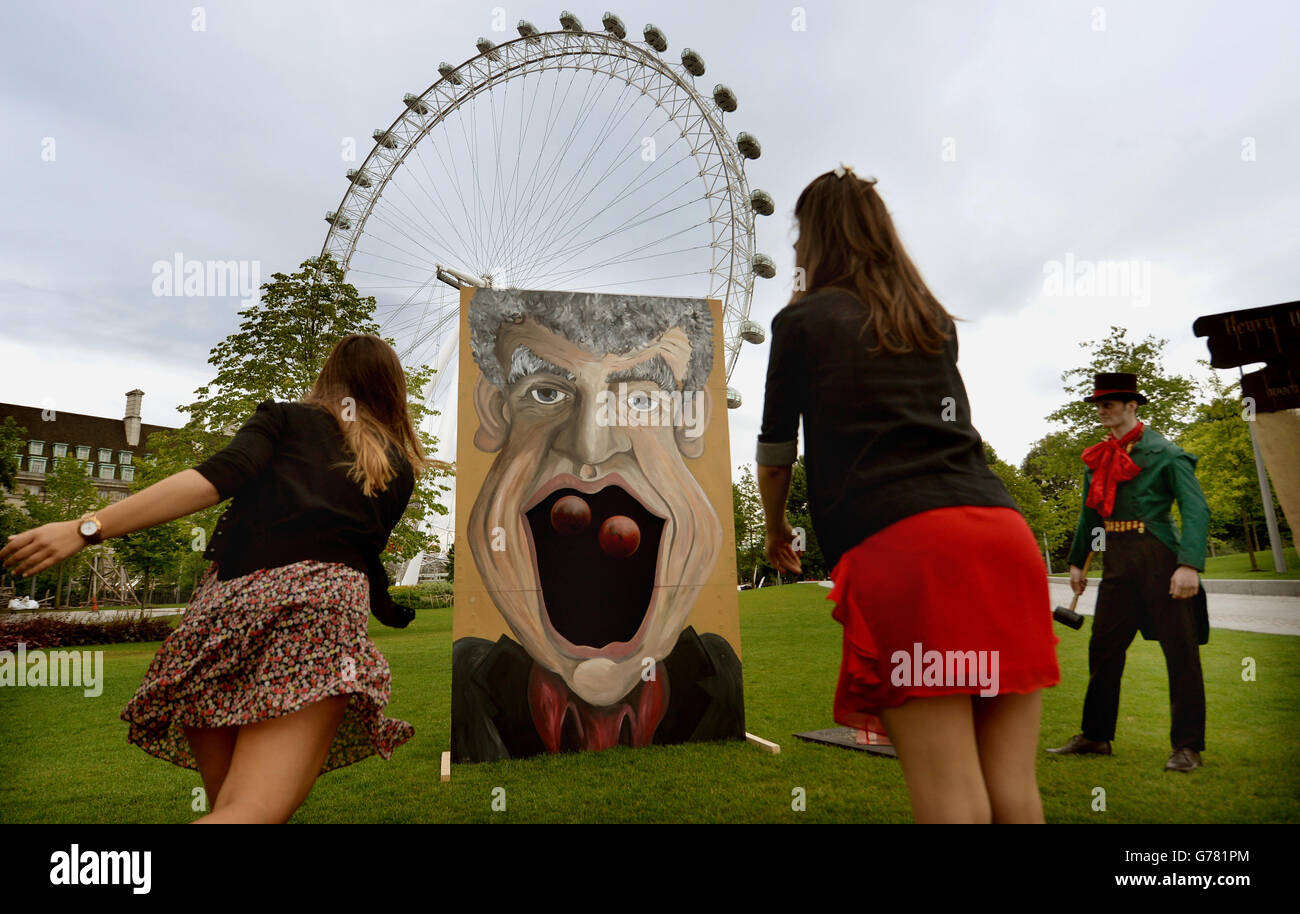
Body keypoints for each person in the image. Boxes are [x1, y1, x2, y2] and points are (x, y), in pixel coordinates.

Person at [0, 334, 441, 822]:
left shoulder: (284, 419)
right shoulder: (398, 469)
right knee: (248, 811)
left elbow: (217, 477)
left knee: (232, 807)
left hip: (220, 616)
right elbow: (354, 552)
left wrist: (91, 527)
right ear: (392, 389)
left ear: (328, 376)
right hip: (315, 615)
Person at [756, 164, 1060, 823]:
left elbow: (777, 452)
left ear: (814, 238)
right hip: (1003, 538)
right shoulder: (930, 320)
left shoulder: (802, 321)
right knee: (1013, 792)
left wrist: (776, 527)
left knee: (951, 797)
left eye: (799, 235)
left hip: (910, 548)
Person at [453, 288, 744, 762]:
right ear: (494, 410)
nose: (590, 447)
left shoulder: (720, 672)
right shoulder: (465, 678)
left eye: (641, 401)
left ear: (691, 423)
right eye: (546, 393)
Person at [1047, 373, 1210, 772]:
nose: (1102, 410)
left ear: (1132, 406)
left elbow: (1196, 509)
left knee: (1180, 651)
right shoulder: (1099, 456)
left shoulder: (1166, 453)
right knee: (1103, 649)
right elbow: (1091, 514)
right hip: (1116, 560)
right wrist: (1076, 561)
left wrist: (1188, 564)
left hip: (1160, 557)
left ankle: (1187, 747)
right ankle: (1096, 736)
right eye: (1099, 404)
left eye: (1110, 403)